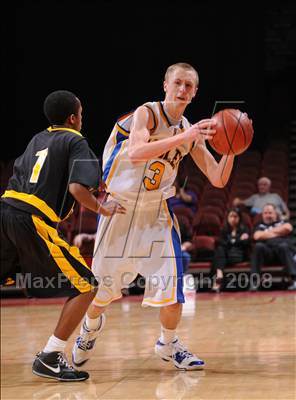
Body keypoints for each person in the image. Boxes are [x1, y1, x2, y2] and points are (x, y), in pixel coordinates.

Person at [72, 62, 236, 371]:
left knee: (172, 288)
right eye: (178, 83)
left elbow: (217, 178)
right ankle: (88, 330)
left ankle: (168, 343)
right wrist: (184, 136)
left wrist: (231, 148)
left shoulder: (189, 131)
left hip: (156, 213)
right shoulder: (147, 112)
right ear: (165, 85)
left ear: (195, 92)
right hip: (118, 209)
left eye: (189, 85)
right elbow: (136, 151)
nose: (182, 90)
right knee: (102, 293)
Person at [0, 90, 125, 382]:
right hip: (30, 219)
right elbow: (77, 190)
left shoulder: (37, 139)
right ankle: (51, 355)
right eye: (81, 114)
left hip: (5, 211)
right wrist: (103, 209)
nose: (82, 119)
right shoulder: (76, 140)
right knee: (87, 287)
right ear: (73, 118)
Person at [249, 203, 296, 291]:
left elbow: (288, 228)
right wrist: (279, 233)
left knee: (283, 246)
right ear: (262, 215)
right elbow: (257, 236)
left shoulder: (282, 222)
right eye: (265, 213)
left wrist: (266, 233)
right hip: (267, 255)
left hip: (283, 254)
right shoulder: (259, 225)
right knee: (258, 246)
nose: (267, 215)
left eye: (270, 213)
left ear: (275, 214)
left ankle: (294, 280)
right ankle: (254, 282)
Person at [210, 208, 251, 292]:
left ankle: (218, 280)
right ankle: (219, 275)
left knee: (217, 257)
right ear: (227, 218)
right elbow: (221, 242)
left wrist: (230, 242)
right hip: (225, 256)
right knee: (219, 250)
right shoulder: (224, 230)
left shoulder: (245, 229)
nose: (233, 219)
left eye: (235, 216)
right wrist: (237, 240)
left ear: (239, 218)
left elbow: (245, 243)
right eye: (231, 216)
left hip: (238, 255)